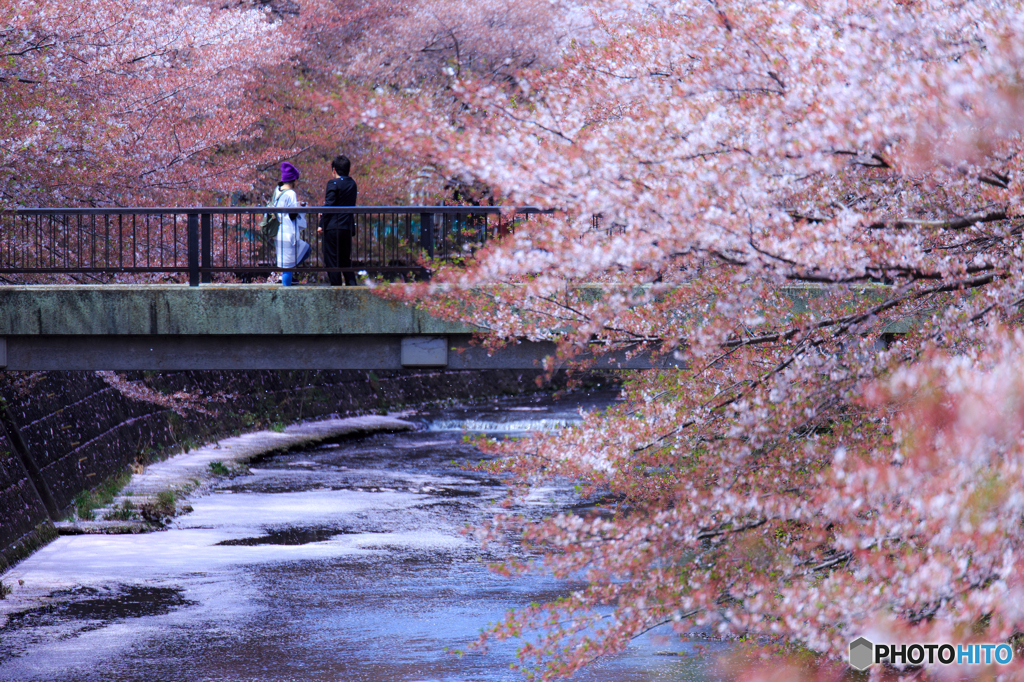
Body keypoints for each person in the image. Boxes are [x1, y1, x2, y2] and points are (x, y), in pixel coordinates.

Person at [318, 154, 358, 286]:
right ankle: (352, 288)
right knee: (345, 260)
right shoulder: (352, 184)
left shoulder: (333, 183)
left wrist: (321, 224)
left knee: (331, 259)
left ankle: (336, 289)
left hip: (332, 227)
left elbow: (329, 205)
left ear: (334, 170)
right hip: (346, 227)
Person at [274, 161, 311, 286]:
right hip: (289, 234)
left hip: (279, 232)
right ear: (294, 180)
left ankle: (285, 281)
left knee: (286, 265)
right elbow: (293, 214)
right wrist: (300, 207)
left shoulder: (278, 191)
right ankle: (286, 291)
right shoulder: (291, 193)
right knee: (290, 265)